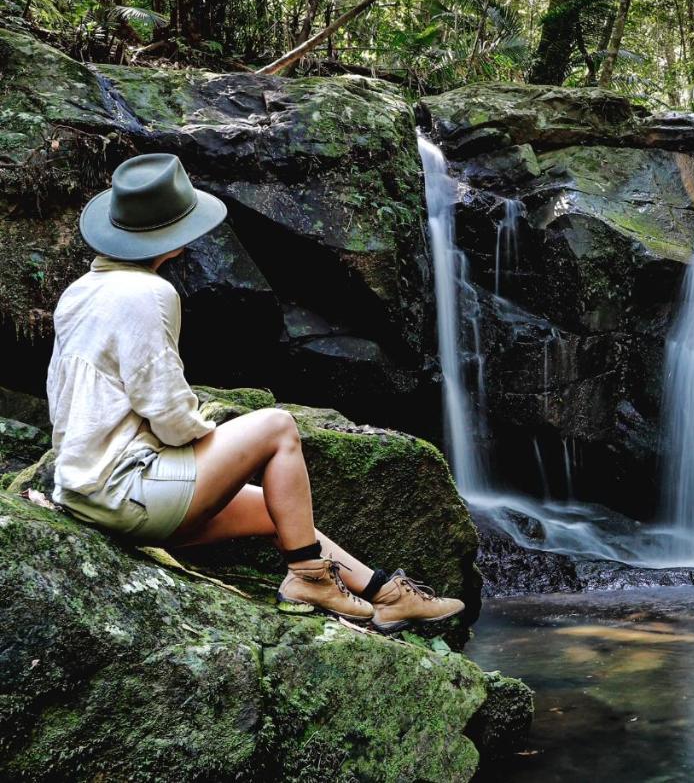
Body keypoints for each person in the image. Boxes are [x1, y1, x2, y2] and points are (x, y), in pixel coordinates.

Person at [46, 152, 464, 633]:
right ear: (176, 240)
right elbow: (163, 407)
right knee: (277, 426)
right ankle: (308, 577)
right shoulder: (147, 294)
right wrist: (205, 426)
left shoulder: (80, 291)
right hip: (130, 493)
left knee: (280, 512)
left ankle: (386, 596)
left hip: (85, 492)